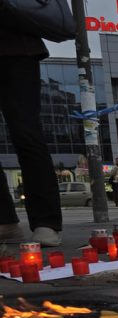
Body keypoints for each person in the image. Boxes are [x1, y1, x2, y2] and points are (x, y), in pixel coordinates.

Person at [0, 28, 63, 246]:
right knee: (27, 132)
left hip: (15, 47)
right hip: (17, 46)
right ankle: (4, 221)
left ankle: (46, 222)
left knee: (26, 132)